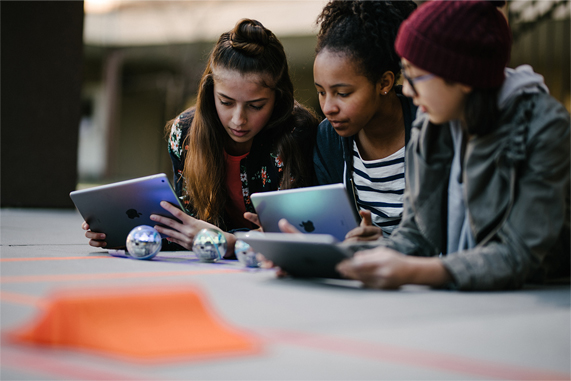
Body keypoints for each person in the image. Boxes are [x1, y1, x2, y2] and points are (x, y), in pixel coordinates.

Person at [336, 0, 570, 290]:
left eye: (414, 75)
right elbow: (415, 236)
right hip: (457, 300)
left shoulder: (543, 126)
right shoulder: (430, 122)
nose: (406, 89)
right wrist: (321, 257)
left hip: (539, 302)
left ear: (462, 75)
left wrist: (414, 272)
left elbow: (516, 254)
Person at [83, 18, 319, 256]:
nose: (238, 119)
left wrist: (228, 242)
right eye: (226, 102)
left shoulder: (296, 133)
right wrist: (128, 233)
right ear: (209, 93)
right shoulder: (184, 132)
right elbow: (189, 229)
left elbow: (299, 235)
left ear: (278, 98)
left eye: (256, 105)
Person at [311, 0, 417, 241]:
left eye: (343, 93)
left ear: (384, 83)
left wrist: (387, 249)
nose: (328, 108)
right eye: (321, 91)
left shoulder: (432, 128)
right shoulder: (328, 139)